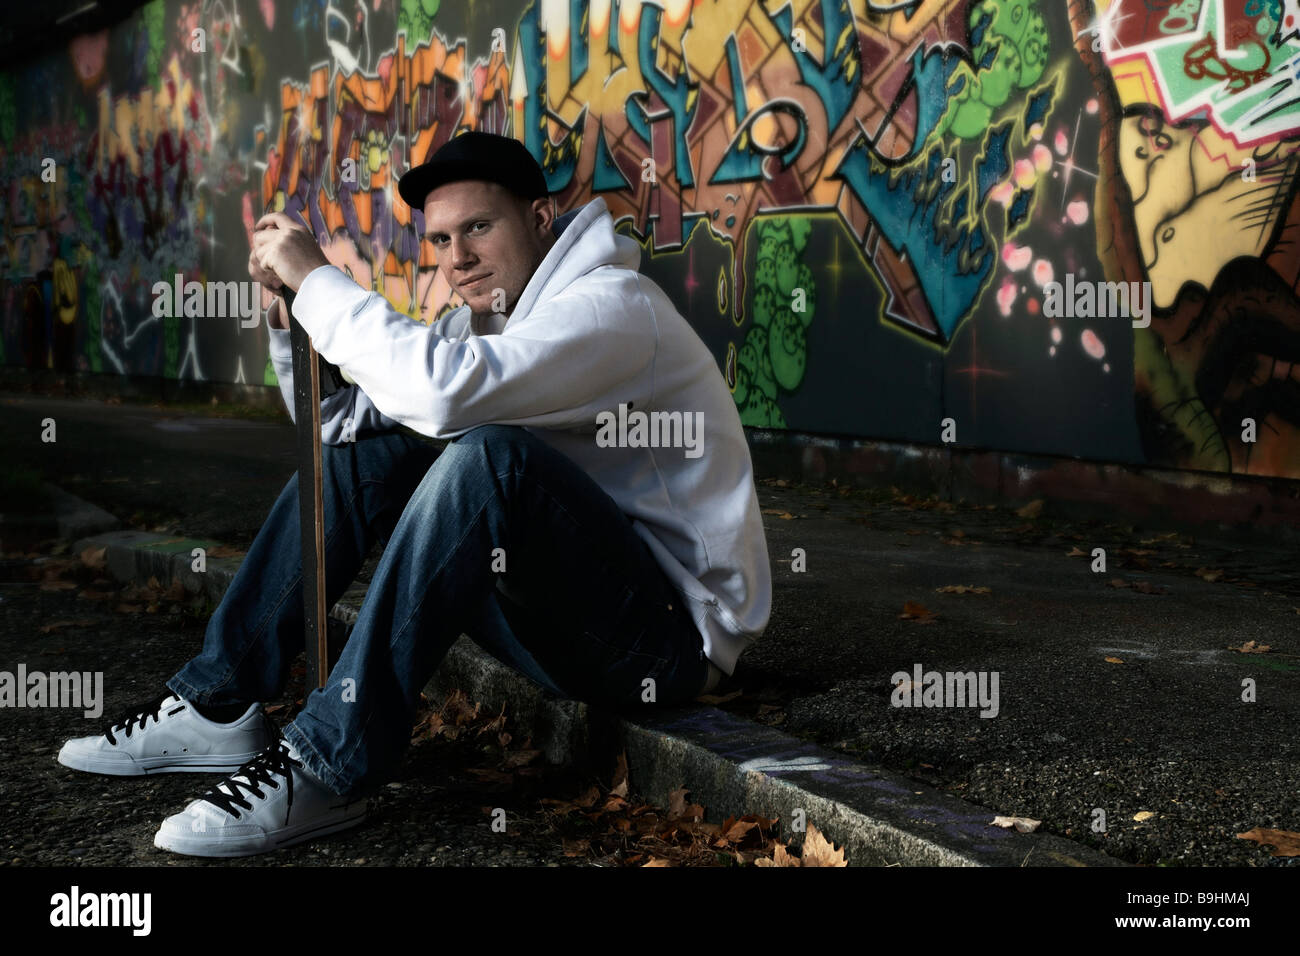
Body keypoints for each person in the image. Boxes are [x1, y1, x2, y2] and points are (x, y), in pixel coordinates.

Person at [57, 131, 772, 858]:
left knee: (492, 459)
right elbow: (341, 430)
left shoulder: (616, 309)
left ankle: (330, 760)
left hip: (665, 644)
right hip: (563, 620)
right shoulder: (481, 324)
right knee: (384, 450)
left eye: (479, 228)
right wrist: (294, 321)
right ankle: (219, 702)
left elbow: (441, 391)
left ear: (541, 219)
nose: (457, 258)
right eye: (440, 239)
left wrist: (319, 280)